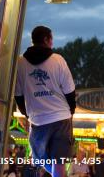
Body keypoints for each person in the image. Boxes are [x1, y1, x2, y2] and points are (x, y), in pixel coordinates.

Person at [15, 26, 76, 177]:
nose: (52, 43)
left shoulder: (20, 63)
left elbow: (18, 95)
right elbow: (70, 91)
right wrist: (71, 111)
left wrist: (26, 113)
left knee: (40, 158)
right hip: (61, 117)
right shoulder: (58, 60)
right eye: (51, 39)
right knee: (59, 162)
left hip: (38, 119)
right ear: (46, 40)